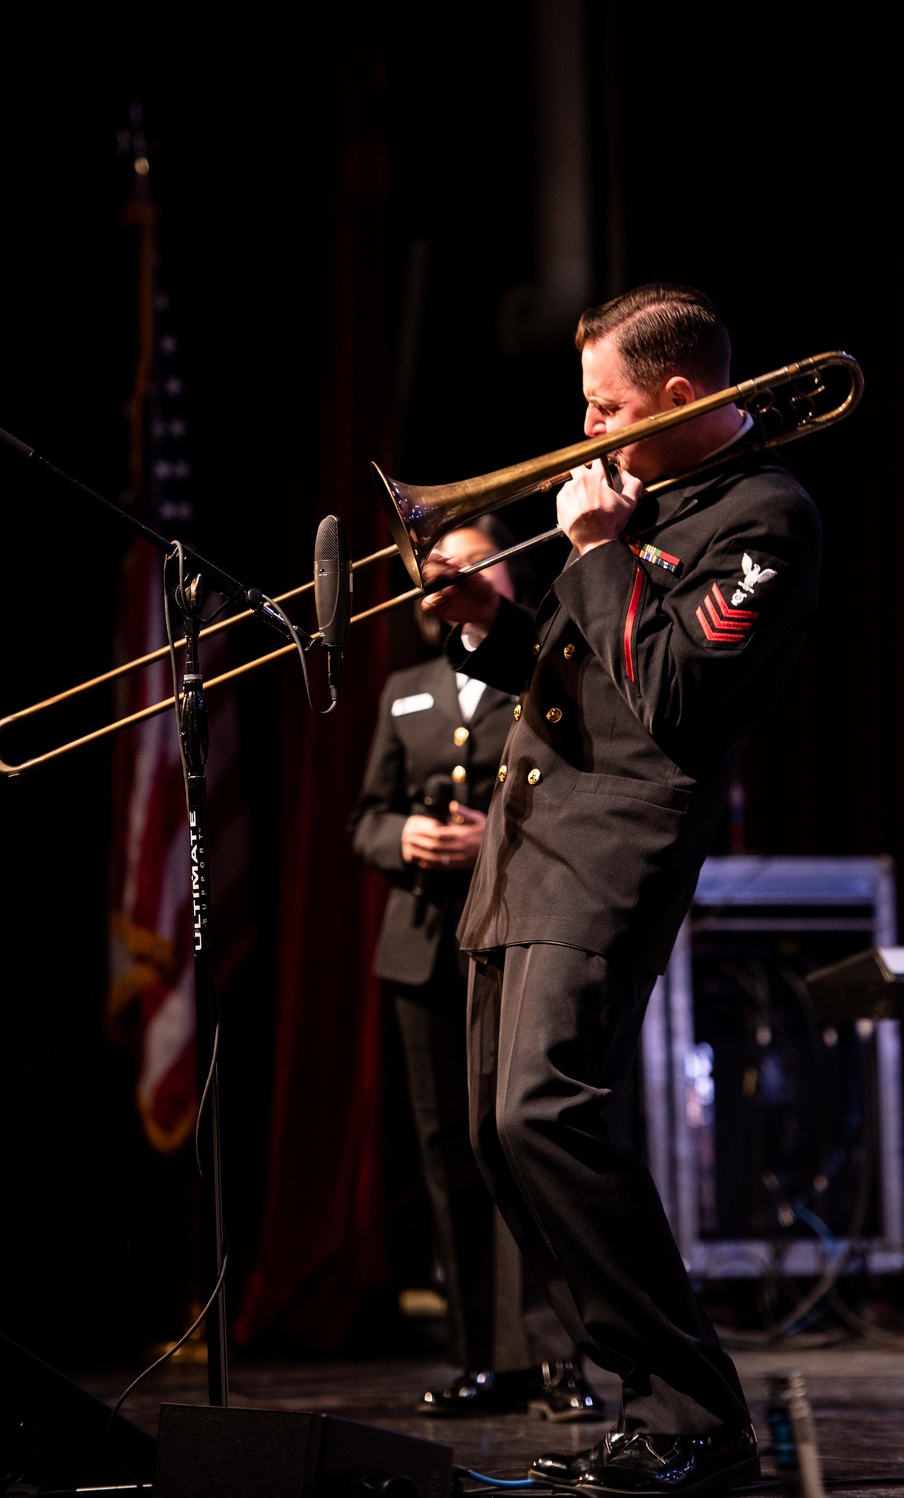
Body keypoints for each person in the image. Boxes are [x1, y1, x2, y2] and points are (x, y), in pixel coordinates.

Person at [420, 284, 821, 1490]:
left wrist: (598, 550)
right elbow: (588, 663)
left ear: (681, 397)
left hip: (609, 855)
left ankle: (697, 1412)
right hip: (526, 848)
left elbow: (675, 691)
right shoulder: (653, 500)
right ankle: (646, 1398)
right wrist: (494, 625)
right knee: (505, 1140)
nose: (585, 429)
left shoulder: (766, 515)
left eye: (605, 409)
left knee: (546, 1115)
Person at [351, 518, 604, 1421]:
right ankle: (481, 1359)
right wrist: (403, 837)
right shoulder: (405, 689)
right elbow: (365, 818)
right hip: (419, 943)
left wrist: (486, 836)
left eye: (463, 561)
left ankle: (560, 1358)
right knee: (448, 1157)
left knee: (521, 1143)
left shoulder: (535, 661)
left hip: (510, 927)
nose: (442, 576)